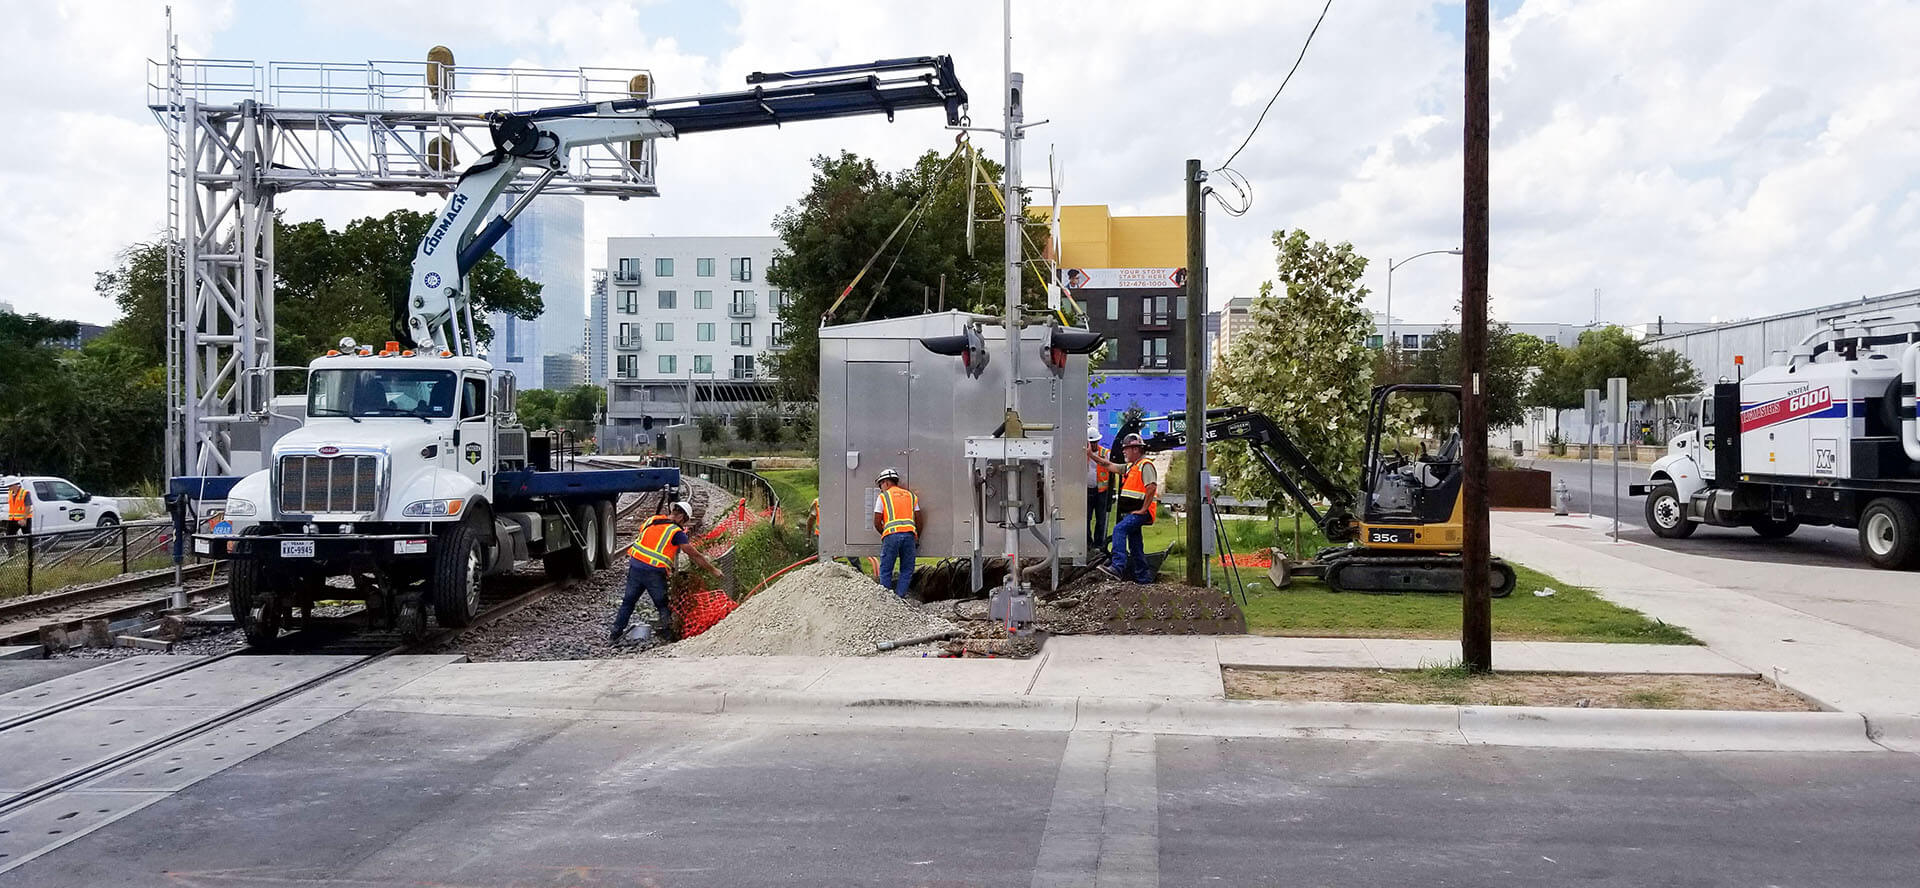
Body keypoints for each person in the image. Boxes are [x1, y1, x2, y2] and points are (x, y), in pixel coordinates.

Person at [611, 500, 720, 644]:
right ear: (682, 517)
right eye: (685, 521)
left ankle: (614, 635)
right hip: (654, 572)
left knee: (628, 602)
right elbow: (694, 554)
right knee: (662, 604)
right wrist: (713, 569)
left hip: (635, 566)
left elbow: (646, 537)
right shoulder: (676, 532)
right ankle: (669, 637)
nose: (684, 525)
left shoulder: (652, 520)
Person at [1089, 434, 1158, 584]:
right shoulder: (1130, 467)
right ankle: (1144, 578)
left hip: (1139, 512)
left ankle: (1117, 567)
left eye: (1126, 449)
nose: (1124, 452)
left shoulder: (1145, 465)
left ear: (1135, 449)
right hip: (1133, 512)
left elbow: (1151, 488)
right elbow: (1108, 465)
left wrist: (1143, 510)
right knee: (1135, 545)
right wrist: (1091, 455)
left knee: (1119, 530)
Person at [871, 468, 921, 598]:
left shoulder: (883, 497)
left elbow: (876, 521)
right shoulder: (911, 496)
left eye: (881, 484)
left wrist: (885, 533)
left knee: (886, 568)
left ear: (886, 482)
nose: (881, 488)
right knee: (907, 569)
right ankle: (900, 597)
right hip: (909, 535)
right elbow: (919, 518)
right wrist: (917, 537)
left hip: (891, 536)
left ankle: (887, 599)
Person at [1086, 427, 1113, 556]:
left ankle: (1098, 544)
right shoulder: (1083, 453)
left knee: (1100, 519)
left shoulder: (1105, 453)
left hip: (1101, 491)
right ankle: (1087, 543)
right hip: (1086, 490)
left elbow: (1110, 467)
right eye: (1091, 442)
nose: (1093, 444)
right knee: (1086, 518)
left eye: (1095, 442)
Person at [2, 478, 28, 554]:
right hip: (13, 519)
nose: (8, 488)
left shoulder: (25, 493)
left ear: (14, 485)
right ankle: (11, 554)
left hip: (23, 519)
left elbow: (28, 506)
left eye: (9, 486)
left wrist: (24, 519)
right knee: (9, 535)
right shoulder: (10, 493)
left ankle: (30, 554)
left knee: (28, 536)